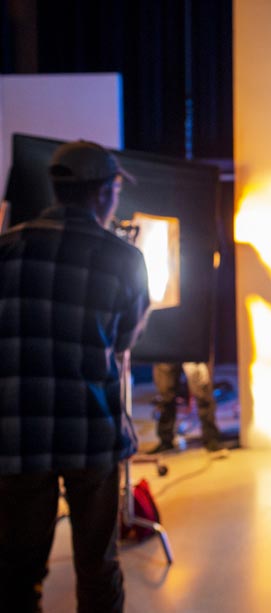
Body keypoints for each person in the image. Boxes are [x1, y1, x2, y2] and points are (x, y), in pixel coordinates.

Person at [0, 140, 150, 612]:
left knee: (16, 574)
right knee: (98, 567)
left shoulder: (6, 248)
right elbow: (124, 341)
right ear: (104, 191)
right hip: (91, 429)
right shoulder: (124, 258)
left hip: (17, 433)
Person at [147, 362, 225, 455]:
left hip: (194, 355)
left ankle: (211, 439)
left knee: (202, 394)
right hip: (165, 355)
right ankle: (165, 441)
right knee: (165, 396)